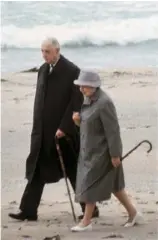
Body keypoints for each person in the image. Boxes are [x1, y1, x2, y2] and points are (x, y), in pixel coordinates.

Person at [8, 38, 100, 221]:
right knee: (37, 169)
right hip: (42, 132)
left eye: (47, 52)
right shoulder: (43, 69)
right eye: (42, 51)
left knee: (73, 171)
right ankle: (28, 210)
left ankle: (90, 208)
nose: (44, 55)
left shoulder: (72, 71)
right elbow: (39, 100)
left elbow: (76, 102)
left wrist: (64, 127)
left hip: (62, 133)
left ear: (57, 51)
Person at [71, 71, 143, 232]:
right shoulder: (89, 98)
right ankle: (133, 213)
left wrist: (115, 154)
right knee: (116, 186)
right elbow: (90, 125)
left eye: (85, 86)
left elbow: (113, 131)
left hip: (102, 153)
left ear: (95, 86)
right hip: (89, 151)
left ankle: (86, 221)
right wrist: (78, 121)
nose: (82, 89)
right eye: (81, 86)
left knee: (90, 183)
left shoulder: (104, 103)